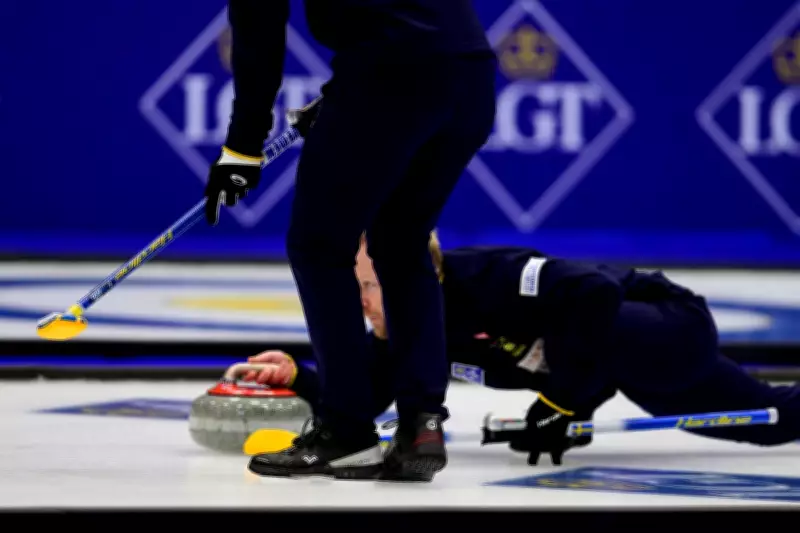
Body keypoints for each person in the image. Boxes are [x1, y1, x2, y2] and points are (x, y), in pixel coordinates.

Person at [202, 1, 496, 481]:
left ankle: (345, 431)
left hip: (389, 72)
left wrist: (242, 146)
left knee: (319, 245)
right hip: (470, 75)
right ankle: (422, 423)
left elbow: (259, 31)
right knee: (402, 241)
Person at [241, 234, 800, 477]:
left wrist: (562, 403)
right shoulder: (407, 331)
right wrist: (300, 377)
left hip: (667, 329)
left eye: (371, 284)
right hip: (615, 371)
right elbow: (364, 398)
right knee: (772, 424)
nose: (361, 303)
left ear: (416, 271)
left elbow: (596, 294)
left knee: (602, 336)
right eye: (356, 287)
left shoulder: (488, 277)